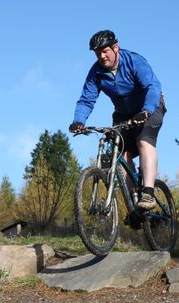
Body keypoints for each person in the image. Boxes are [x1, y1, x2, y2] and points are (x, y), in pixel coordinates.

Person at [69, 30, 166, 211]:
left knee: (144, 141)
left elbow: (152, 86)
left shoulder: (134, 61)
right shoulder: (96, 72)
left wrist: (146, 111)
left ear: (115, 47)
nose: (102, 56)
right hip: (123, 114)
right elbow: (86, 99)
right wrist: (78, 121)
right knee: (120, 154)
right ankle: (134, 204)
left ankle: (148, 193)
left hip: (150, 106)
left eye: (105, 51)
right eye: (97, 53)